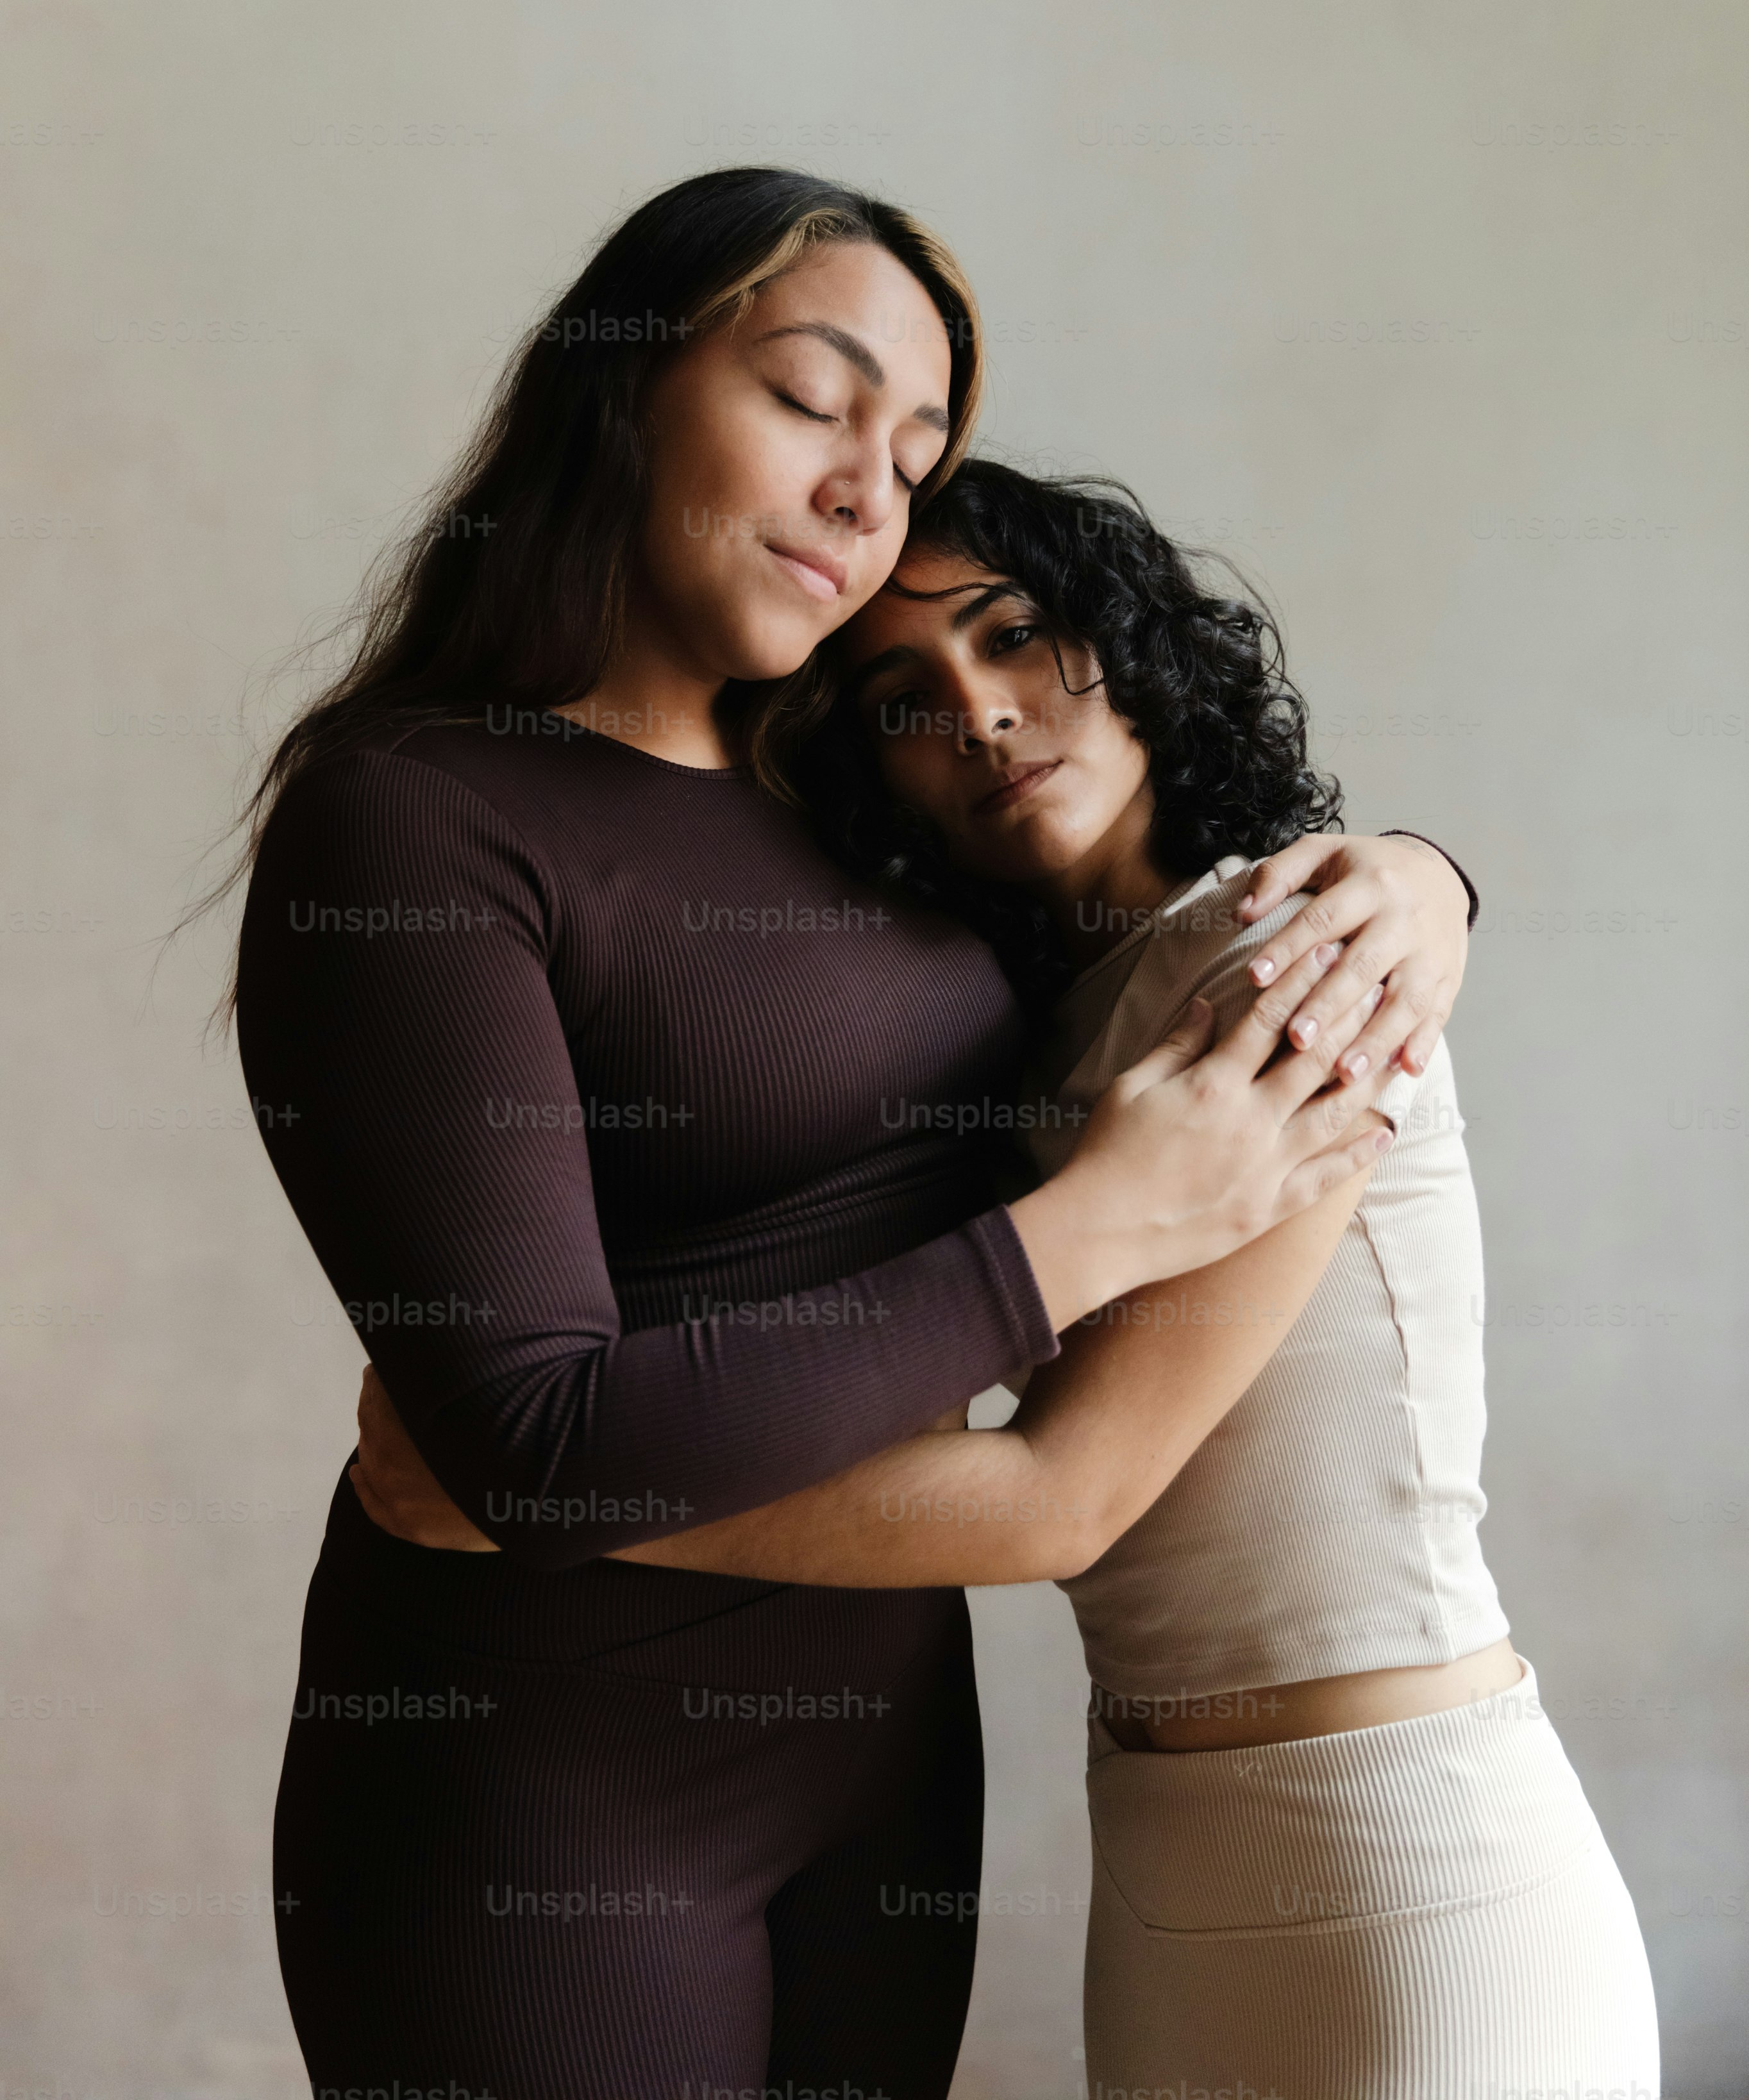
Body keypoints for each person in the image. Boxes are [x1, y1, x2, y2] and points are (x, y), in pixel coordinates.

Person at [234, 167, 1475, 2100]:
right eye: (815, 402)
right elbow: (533, 1442)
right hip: (544, 1798)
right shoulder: (413, 811)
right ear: (626, 385)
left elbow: (1140, 912)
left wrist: (1425, 876)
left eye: (910, 455)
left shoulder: (851, 787)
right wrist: (1093, 1227)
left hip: (880, 1783)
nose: (863, 492)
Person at [372, 456, 1647, 2097]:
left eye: (1016, 635)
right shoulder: (1007, 1042)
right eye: (902, 693)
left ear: (1128, 644)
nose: (975, 713)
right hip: (1167, 1851)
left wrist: (542, 1490)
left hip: (1409, 1863)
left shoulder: (1290, 944)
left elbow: (1061, 1502)